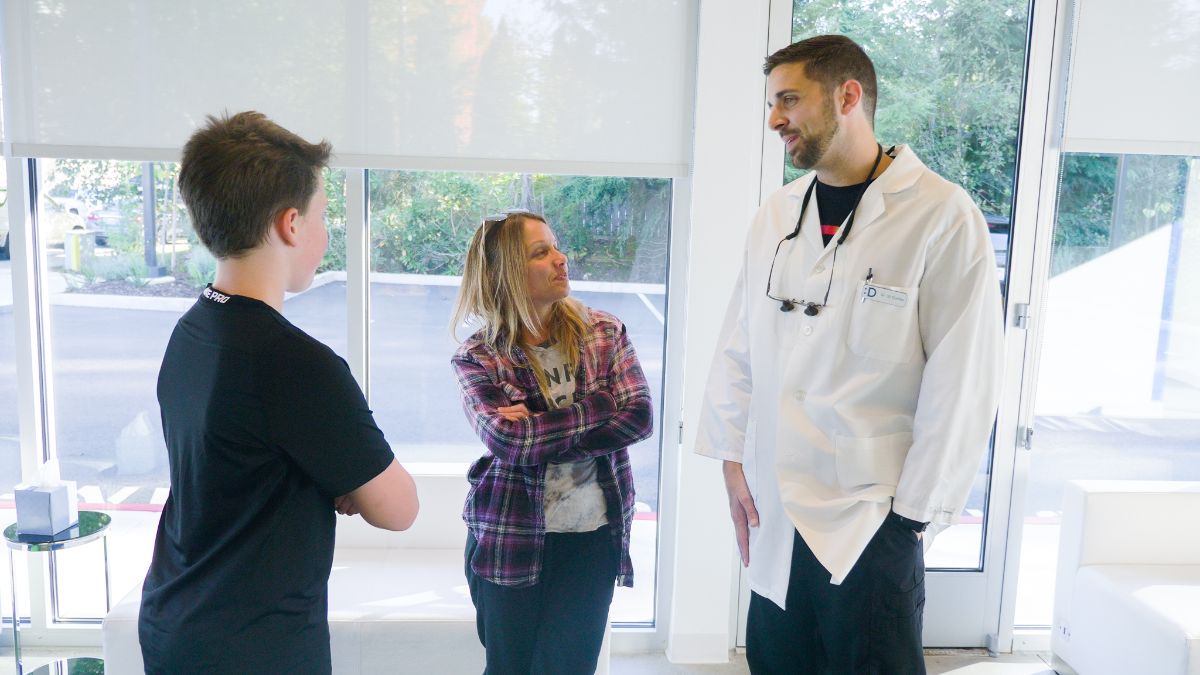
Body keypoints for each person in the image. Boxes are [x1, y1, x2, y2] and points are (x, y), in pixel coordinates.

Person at [695, 35, 1004, 673]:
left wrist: (912, 518)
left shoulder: (941, 214)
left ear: (848, 96)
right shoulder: (777, 214)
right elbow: (739, 345)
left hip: (871, 517)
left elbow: (963, 378)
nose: (775, 118)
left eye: (789, 99)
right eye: (771, 102)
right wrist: (731, 461)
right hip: (777, 513)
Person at [139, 111, 420, 674]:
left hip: (176, 621)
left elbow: (238, 459)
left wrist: (329, 472)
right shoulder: (296, 364)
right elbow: (398, 508)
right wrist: (339, 479)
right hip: (255, 648)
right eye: (323, 216)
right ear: (291, 225)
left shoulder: (194, 329)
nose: (327, 232)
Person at [450, 210, 654, 674]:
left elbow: (639, 418)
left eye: (555, 247)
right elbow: (507, 441)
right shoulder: (478, 356)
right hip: (509, 533)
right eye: (540, 253)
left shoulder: (603, 332)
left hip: (593, 538)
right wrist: (600, 406)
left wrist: (539, 424)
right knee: (509, 668)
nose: (561, 259)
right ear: (505, 275)